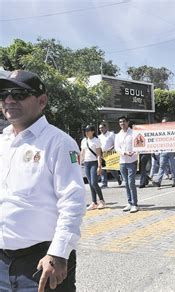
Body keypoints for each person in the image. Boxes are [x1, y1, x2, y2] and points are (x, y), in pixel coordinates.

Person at [0, 70, 86, 291]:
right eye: (3, 94)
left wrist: (58, 253)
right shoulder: (3, 142)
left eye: (18, 94)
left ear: (42, 101)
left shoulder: (58, 143)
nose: (8, 100)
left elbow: (72, 202)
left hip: (42, 262)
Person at [115, 116, 139, 213]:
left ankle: (134, 204)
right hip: (122, 161)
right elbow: (117, 148)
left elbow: (138, 145)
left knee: (131, 182)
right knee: (126, 183)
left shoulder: (133, 133)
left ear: (128, 122)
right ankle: (129, 202)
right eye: (120, 122)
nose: (122, 123)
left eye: (124, 121)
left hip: (132, 161)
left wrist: (134, 153)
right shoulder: (118, 135)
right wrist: (124, 153)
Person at [81, 125, 106, 210]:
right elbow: (82, 153)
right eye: (85, 131)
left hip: (94, 163)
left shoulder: (96, 140)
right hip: (86, 163)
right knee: (90, 183)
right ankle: (94, 202)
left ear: (93, 131)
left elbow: (99, 154)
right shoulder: (84, 141)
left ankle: (102, 201)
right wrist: (80, 162)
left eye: (88, 130)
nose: (86, 132)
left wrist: (99, 166)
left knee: (94, 182)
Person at [152, 117, 175, 187]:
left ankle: (174, 181)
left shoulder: (173, 130)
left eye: (164, 123)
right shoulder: (160, 131)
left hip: (172, 151)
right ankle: (158, 181)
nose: (163, 124)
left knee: (173, 167)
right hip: (163, 151)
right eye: (162, 123)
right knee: (161, 166)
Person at [98, 122, 122, 187]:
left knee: (112, 169)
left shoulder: (111, 134)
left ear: (106, 127)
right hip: (103, 154)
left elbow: (116, 143)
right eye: (100, 128)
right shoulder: (99, 137)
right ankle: (104, 183)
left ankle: (118, 178)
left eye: (102, 128)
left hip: (110, 154)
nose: (101, 129)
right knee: (103, 169)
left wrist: (110, 149)